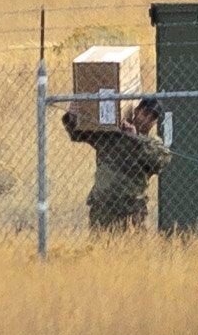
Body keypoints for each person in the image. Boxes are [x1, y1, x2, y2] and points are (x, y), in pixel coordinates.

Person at [64, 96, 169, 233]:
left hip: (132, 209)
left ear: (155, 122)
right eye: (145, 113)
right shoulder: (112, 134)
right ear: (136, 111)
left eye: (152, 118)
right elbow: (78, 134)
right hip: (104, 206)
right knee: (100, 248)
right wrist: (72, 115)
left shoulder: (152, 143)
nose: (147, 120)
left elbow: (159, 161)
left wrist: (135, 138)